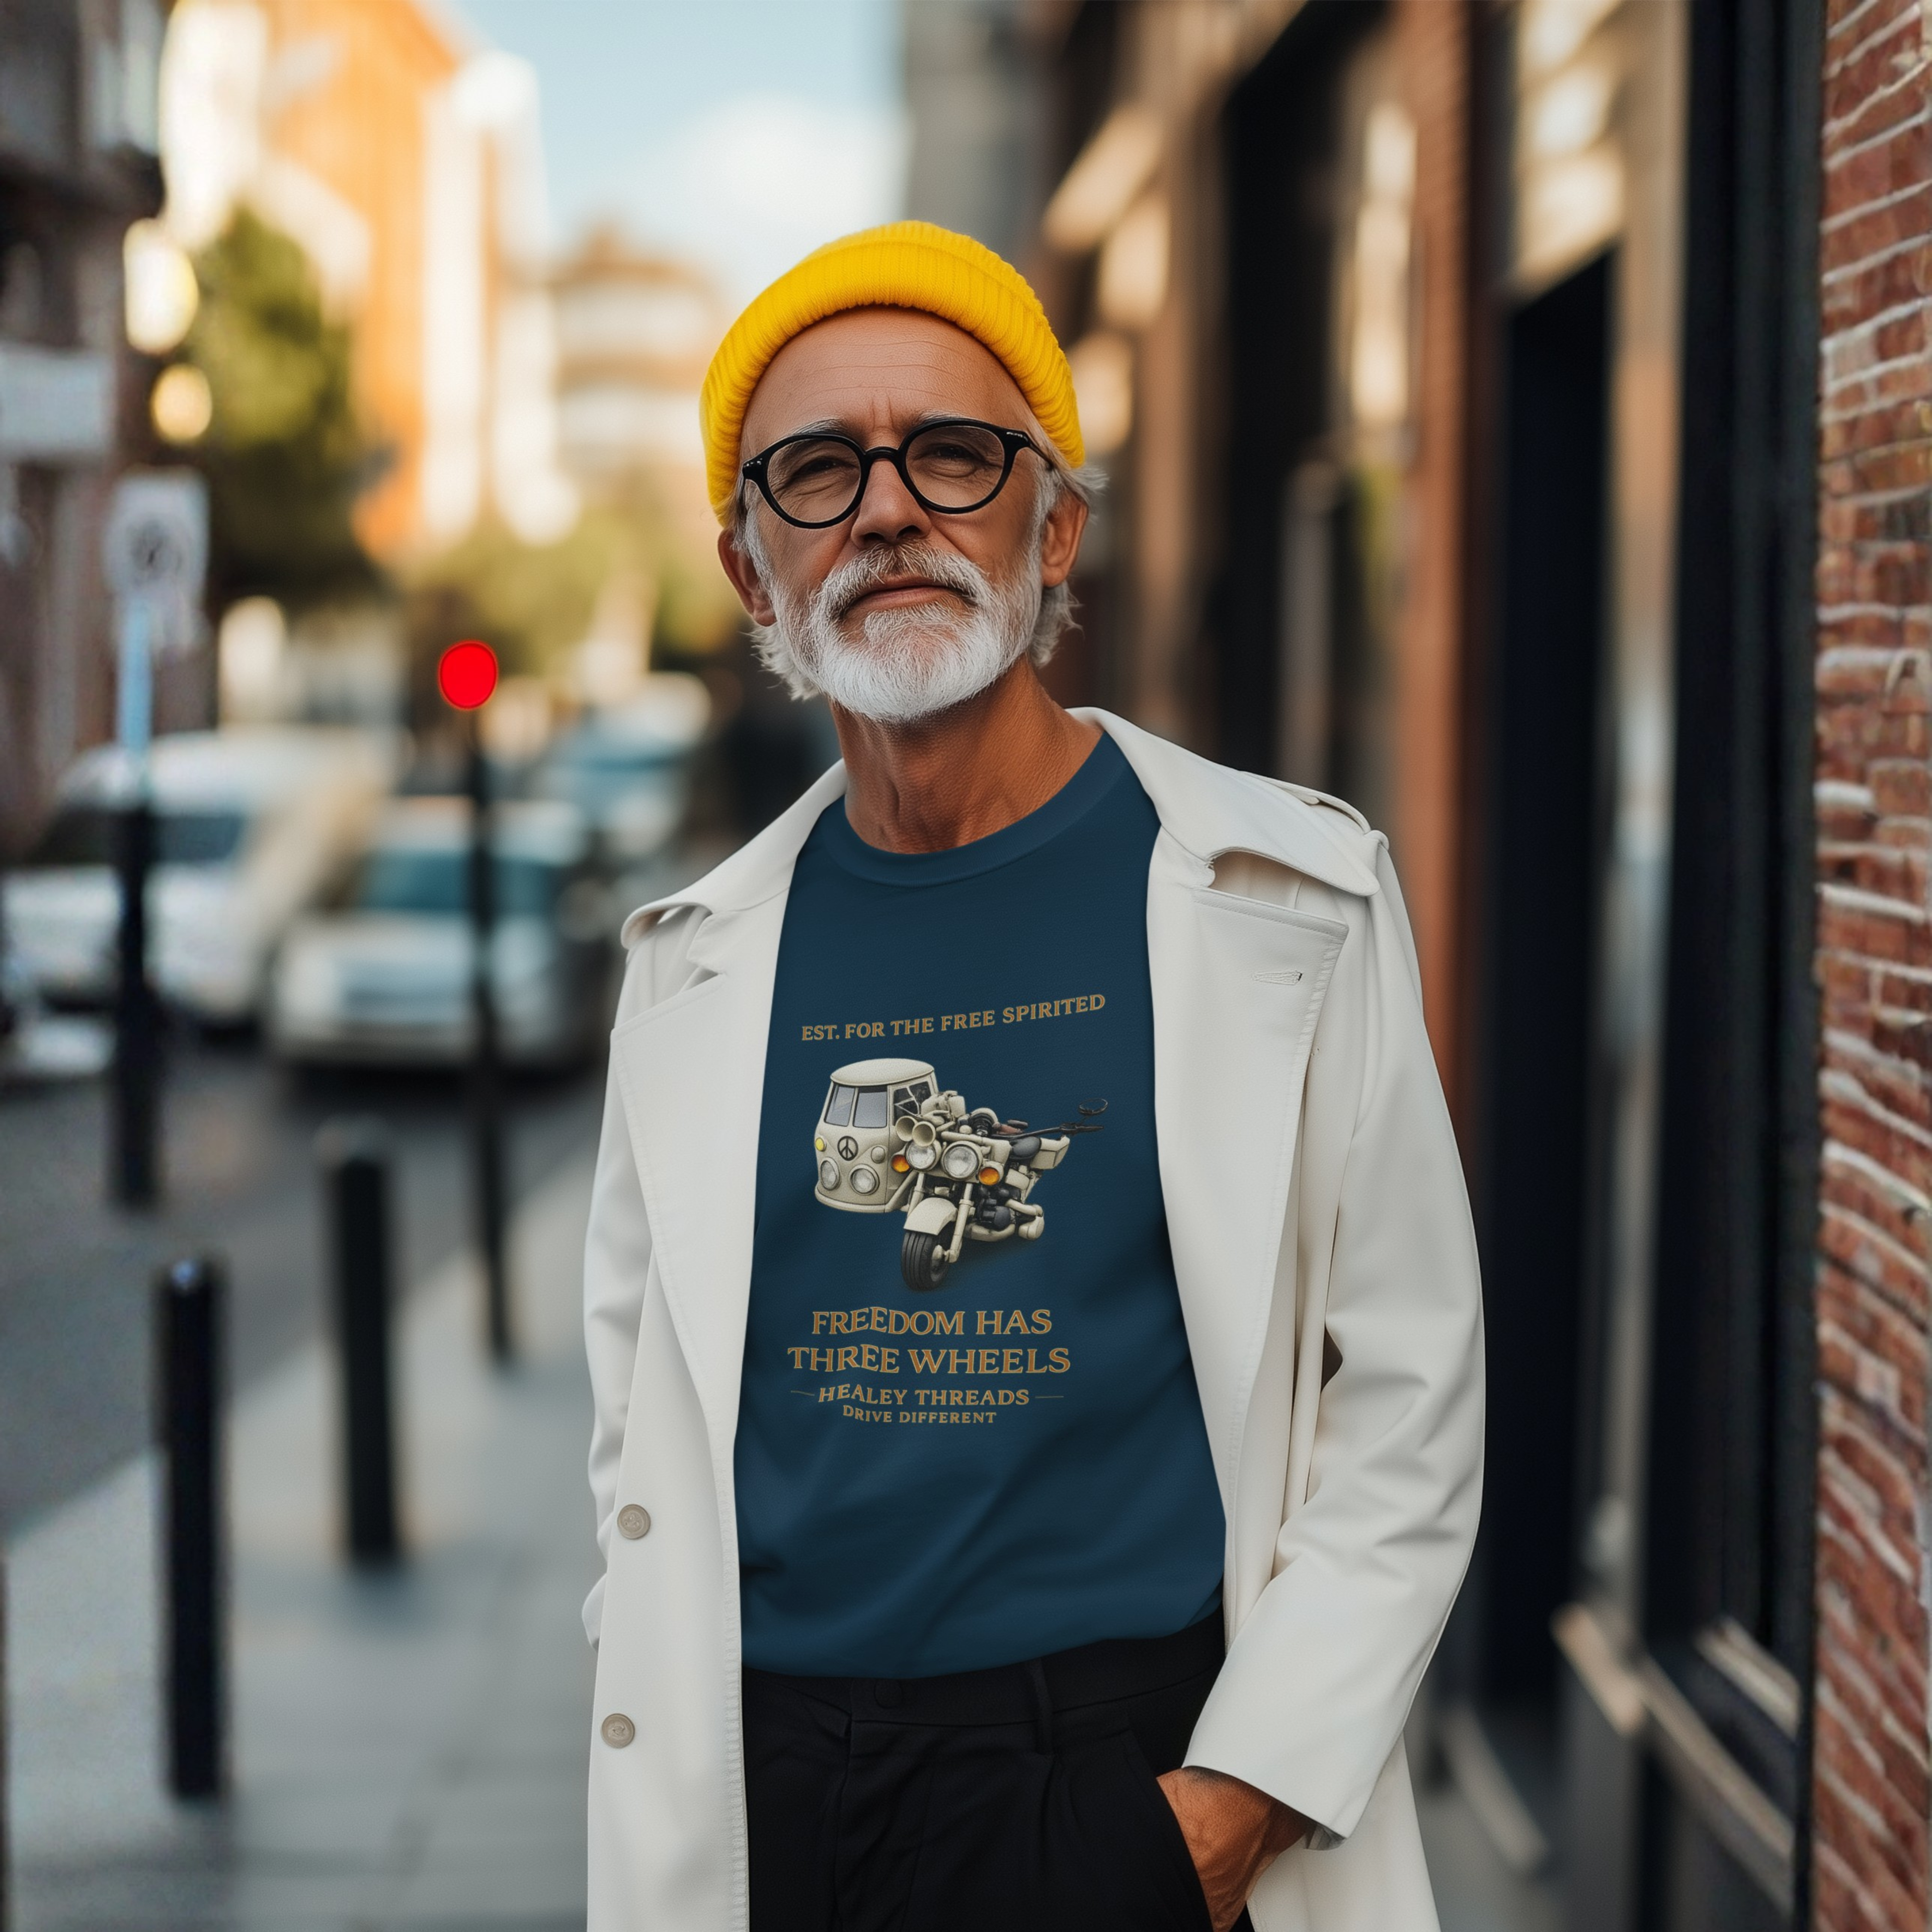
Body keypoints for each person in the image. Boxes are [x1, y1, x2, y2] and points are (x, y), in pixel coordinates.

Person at [581, 221, 1483, 1932]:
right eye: (818, 471)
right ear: (750, 569)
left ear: (1053, 523)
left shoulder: (1285, 898)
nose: (889, 507)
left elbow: (1413, 1394)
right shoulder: (690, 961)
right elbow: (638, 1410)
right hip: (768, 1793)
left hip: (1128, 1774)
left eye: (952, 451)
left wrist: (1233, 1807)